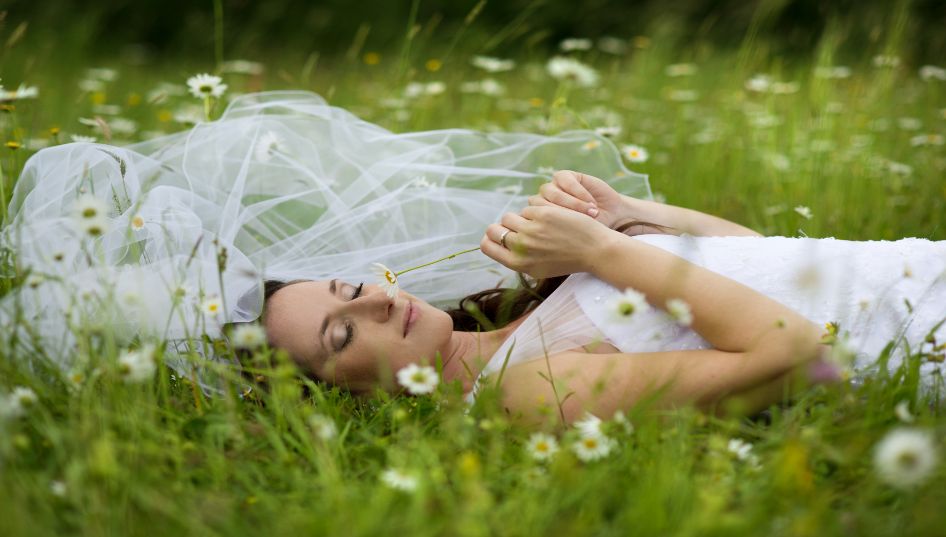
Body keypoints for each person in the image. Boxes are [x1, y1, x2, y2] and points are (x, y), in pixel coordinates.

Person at [262, 170, 946, 426]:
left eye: (351, 288)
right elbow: (795, 349)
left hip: (917, 268)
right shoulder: (521, 392)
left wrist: (626, 212)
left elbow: (761, 259)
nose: (374, 304)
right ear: (344, 395)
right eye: (340, 334)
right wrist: (603, 251)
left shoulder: (529, 319)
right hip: (923, 335)